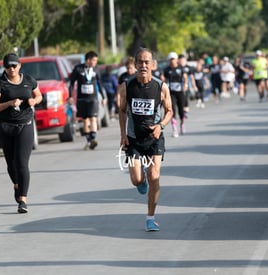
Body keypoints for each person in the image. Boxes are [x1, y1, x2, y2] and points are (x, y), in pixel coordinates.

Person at [118, 47, 173, 231]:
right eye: (140, 62)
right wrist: (123, 135)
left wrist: (161, 126)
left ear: (153, 65)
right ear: (134, 64)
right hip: (134, 138)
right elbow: (122, 110)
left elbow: (170, 111)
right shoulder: (126, 86)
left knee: (154, 176)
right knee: (136, 179)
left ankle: (151, 218)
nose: (143, 65)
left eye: (147, 62)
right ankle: (141, 182)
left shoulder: (161, 86)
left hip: (154, 138)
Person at [0, 53, 42, 213]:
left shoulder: (29, 80)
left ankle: (23, 200)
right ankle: (17, 185)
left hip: (25, 125)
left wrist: (34, 101)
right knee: (11, 165)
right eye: (8, 66)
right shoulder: (0, 83)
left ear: (19, 65)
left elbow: (39, 95)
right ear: (4, 67)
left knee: (21, 163)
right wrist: (9, 103)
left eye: (14, 66)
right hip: (6, 127)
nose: (11, 69)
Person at [69, 51, 106, 150]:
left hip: (93, 98)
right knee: (85, 121)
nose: (95, 63)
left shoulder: (96, 69)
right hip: (82, 99)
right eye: (94, 60)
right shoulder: (78, 69)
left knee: (93, 118)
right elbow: (71, 83)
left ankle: (93, 139)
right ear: (88, 60)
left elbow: (100, 83)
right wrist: (70, 96)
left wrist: (103, 97)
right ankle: (89, 141)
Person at [163, 52, 188, 137]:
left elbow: (185, 77)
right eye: (170, 59)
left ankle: (182, 124)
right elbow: (164, 79)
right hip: (171, 92)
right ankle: (174, 129)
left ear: (176, 60)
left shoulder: (180, 68)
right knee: (172, 110)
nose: (172, 61)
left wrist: (185, 84)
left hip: (180, 91)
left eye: (173, 59)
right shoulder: (167, 69)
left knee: (181, 110)